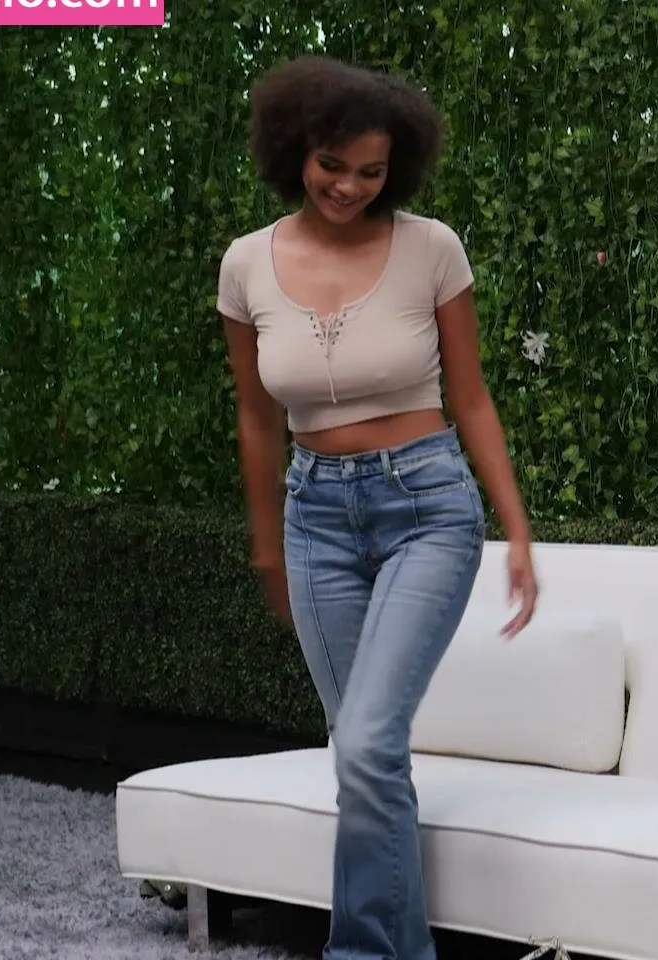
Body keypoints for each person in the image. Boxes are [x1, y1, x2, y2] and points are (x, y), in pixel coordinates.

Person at [217, 55, 539, 960]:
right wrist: (267, 545)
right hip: (314, 517)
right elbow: (256, 418)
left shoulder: (432, 249)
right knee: (365, 755)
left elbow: (471, 397)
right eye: (333, 165)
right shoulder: (246, 265)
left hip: (425, 506)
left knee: (363, 744)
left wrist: (517, 530)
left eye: (371, 171)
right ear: (295, 150)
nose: (350, 186)